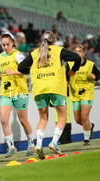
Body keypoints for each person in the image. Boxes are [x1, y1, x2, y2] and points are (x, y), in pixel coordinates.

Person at [18, 31, 81, 159]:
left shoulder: (35, 53)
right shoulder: (58, 51)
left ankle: (39, 144)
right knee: (62, 117)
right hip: (56, 87)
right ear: (53, 41)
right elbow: (77, 58)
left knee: (43, 118)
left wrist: (31, 70)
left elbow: (20, 67)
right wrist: (73, 70)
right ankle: (53, 142)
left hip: (40, 88)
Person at [0, 32, 35, 157]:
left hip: (19, 91)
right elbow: (4, 72)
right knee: (3, 119)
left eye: (7, 44)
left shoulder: (18, 55)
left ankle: (31, 144)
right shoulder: (1, 56)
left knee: (23, 120)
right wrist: (1, 75)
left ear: (13, 43)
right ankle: (11, 146)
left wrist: (12, 72)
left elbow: (27, 70)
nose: (5, 47)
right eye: (3, 45)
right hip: (6, 92)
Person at [67, 45, 100, 146]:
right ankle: (90, 126)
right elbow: (65, 77)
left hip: (87, 93)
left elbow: (98, 75)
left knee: (84, 116)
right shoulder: (69, 64)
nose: (77, 53)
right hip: (75, 94)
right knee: (78, 120)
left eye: (79, 51)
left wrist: (94, 76)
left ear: (83, 53)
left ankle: (86, 139)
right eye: (75, 51)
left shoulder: (90, 64)